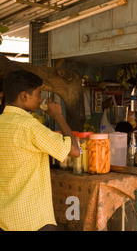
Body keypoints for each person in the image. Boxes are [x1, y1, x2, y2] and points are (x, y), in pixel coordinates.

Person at [0, 70, 80, 231]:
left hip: (4, 217)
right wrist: (59, 116)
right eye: (38, 94)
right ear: (24, 96)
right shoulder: (30, 126)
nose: (40, 99)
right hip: (32, 219)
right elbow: (74, 150)